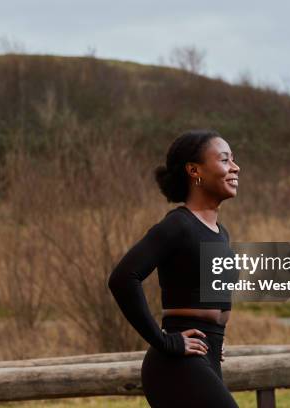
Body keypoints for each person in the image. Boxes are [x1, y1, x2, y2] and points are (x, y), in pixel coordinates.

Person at [107, 129, 241, 407]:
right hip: (176, 363)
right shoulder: (177, 225)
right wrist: (164, 341)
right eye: (225, 160)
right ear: (194, 170)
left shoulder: (221, 233)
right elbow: (123, 278)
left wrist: (214, 340)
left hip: (206, 356)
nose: (235, 168)